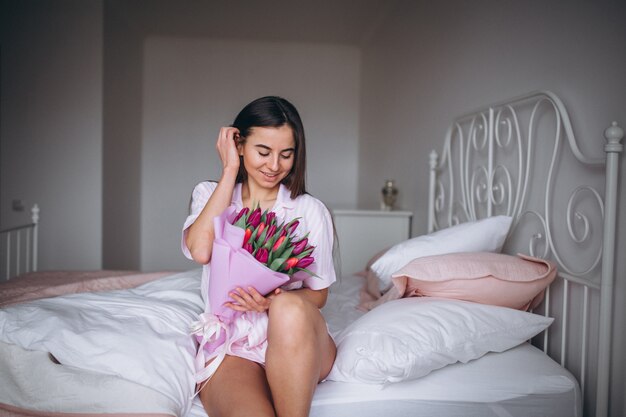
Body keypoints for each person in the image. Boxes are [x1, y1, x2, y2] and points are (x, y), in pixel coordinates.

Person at [181, 96, 337, 417]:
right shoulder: (210, 194)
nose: (274, 165)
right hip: (234, 344)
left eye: (286, 154)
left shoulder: (310, 210)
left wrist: (271, 303)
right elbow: (200, 250)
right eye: (263, 152)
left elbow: (319, 294)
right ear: (238, 144)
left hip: (298, 340)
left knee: (288, 307)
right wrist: (229, 172)